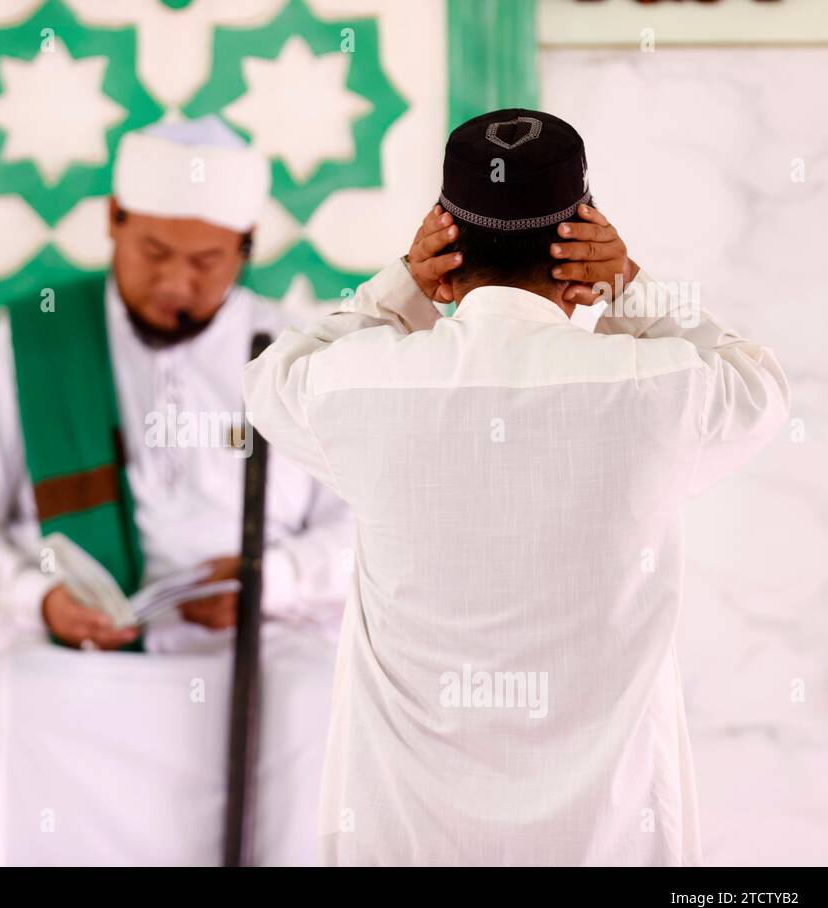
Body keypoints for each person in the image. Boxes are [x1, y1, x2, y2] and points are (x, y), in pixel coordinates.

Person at [242, 108, 791, 866]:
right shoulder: (661, 386)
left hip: (405, 835)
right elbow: (760, 387)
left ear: (447, 244)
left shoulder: (359, 385)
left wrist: (398, 286)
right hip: (612, 835)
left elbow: (269, 381)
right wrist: (633, 288)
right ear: (583, 244)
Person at [0, 116, 351, 862]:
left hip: (261, 648)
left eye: (208, 260)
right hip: (80, 661)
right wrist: (36, 597)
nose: (178, 282)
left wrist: (267, 584)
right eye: (154, 251)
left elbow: (369, 532)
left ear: (246, 249)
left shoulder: (295, 359)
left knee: (321, 705)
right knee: (18, 702)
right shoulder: (36, 345)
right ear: (113, 220)